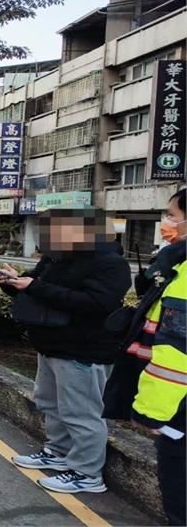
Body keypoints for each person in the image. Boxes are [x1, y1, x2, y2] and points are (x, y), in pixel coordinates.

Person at [0, 207, 131, 494]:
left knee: (82, 413)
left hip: (84, 349)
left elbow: (95, 303)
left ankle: (87, 473)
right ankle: (57, 452)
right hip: (50, 345)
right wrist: (13, 282)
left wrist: (34, 286)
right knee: (51, 404)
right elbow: (37, 285)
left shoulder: (109, 263)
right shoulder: (56, 256)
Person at [107, 189, 186, 525]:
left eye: (172, 216)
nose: (166, 222)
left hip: (179, 413)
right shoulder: (174, 266)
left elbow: (174, 355)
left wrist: (150, 414)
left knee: (179, 496)